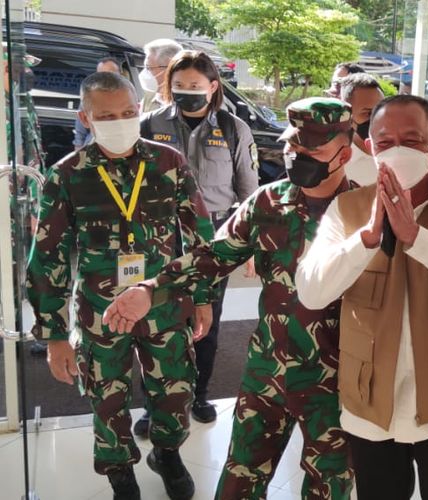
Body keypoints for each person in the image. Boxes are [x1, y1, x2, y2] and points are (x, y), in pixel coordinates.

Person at [103, 97, 357, 499]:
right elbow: (212, 257)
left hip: (336, 381)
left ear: (344, 153)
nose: (298, 155)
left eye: (314, 149)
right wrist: (152, 288)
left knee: (329, 487)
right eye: (294, 145)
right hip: (267, 372)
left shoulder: (364, 212)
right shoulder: (270, 202)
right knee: (240, 482)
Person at [295, 94, 428, 500]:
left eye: (411, 141)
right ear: (369, 146)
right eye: (384, 141)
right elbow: (310, 290)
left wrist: (417, 238)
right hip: (371, 404)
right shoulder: (347, 210)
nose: (396, 150)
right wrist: (366, 239)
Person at [26, 71, 215, 500]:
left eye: (129, 113)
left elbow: (201, 235)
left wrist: (202, 298)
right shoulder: (67, 175)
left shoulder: (169, 162)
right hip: (100, 311)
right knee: (107, 398)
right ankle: (119, 471)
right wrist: (55, 335)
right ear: (86, 118)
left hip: (163, 304)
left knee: (175, 389)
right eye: (107, 115)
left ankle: (167, 453)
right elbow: (48, 258)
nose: (121, 121)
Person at [139, 50, 259, 427]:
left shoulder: (232, 128)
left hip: (214, 237)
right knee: (156, 323)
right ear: (168, 86)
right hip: (160, 234)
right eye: (179, 85)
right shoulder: (148, 124)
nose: (186, 91)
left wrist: (251, 246)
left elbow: (248, 192)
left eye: (195, 85)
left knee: (207, 319)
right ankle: (154, 405)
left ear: (212, 86)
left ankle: (199, 394)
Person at [340, 72, 384, 185]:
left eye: (381, 110)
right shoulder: (338, 163)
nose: (376, 119)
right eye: (368, 113)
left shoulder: (398, 154)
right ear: (347, 115)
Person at [72, 57, 122, 149]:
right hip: (93, 151)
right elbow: (80, 131)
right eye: (101, 74)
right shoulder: (89, 96)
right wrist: (78, 153)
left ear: (119, 74)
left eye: (109, 74)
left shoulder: (129, 96)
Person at [140, 38, 183, 113]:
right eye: (145, 67)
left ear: (169, 69)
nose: (145, 73)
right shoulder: (148, 99)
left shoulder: (187, 102)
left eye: (149, 68)